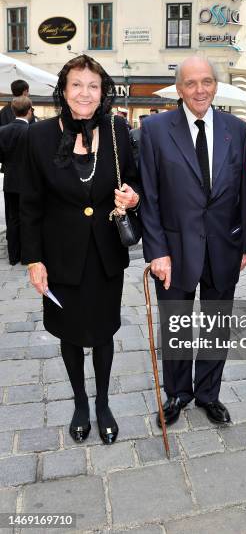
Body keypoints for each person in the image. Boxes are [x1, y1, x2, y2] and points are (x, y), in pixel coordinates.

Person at [20, 55, 140, 445]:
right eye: (77, 85)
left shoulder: (118, 130)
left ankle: (103, 403)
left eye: (93, 86)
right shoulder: (38, 137)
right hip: (60, 258)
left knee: (103, 333)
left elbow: (134, 179)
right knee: (70, 335)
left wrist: (133, 197)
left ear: (102, 91)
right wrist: (34, 259)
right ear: (64, 90)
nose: (85, 93)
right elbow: (30, 203)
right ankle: (80, 403)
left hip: (105, 254)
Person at [139, 56, 246, 427]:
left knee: (217, 325)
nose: (200, 89)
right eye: (191, 83)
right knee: (177, 325)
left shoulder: (235, 129)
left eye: (206, 81)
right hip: (174, 250)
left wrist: (245, 244)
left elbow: (241, 191)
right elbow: (150, 197)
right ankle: (177, 393)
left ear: (215, 85)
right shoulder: (155, 129)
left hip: (223, 246)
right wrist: (156, 252)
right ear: (179, 88)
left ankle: (208, 394)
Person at [0, 96, 33, 265]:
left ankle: (13, 256)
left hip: (11, 181)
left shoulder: (2, 131)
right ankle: (27, 256)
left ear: (13, 111)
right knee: (28, 218)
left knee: (12, 218)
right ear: (29, 111)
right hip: (30, 183)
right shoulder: (33, 132)